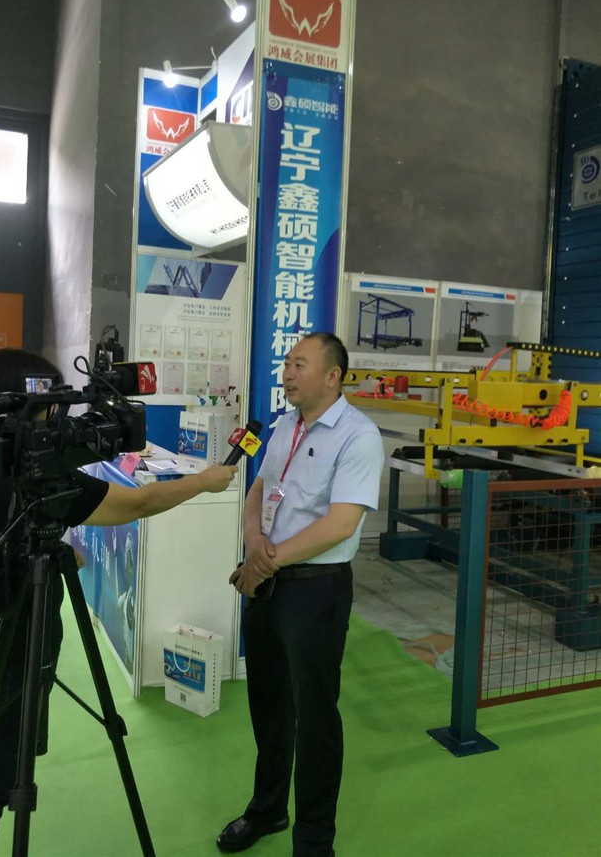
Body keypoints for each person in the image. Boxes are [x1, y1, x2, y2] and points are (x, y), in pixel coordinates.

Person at [0, 348, 236, 857]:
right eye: (50, 406)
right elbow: (139, 502)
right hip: (8, 649)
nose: (59, 419)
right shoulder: (30, 473)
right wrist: (204, 482)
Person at [218, 333, 384, 857]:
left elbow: (340, 524)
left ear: (333, 376)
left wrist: (264, 561)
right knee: (268, 705)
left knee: (315, 718)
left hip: (316, 591)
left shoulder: (359, 436)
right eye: (287, 363)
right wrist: (253, 544)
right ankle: (267, 809)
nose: (287, 373)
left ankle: (313, 841)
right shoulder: (284, 425)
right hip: (267, 583)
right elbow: (259, 491)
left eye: (300, 365)